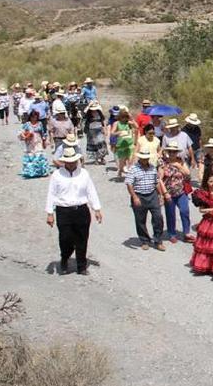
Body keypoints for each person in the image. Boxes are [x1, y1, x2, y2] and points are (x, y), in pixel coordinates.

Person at [45, 147, 103, 275]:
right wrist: (50, 213)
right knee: (65, 238)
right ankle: (65, 258)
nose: (71, 164)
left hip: (81, 209)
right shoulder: (57, 175)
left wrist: (97, 209)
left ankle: (81, 266)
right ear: (64, 162)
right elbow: (51, 194)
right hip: (63, 211)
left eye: (74, 161)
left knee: (82, 238)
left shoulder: (84, 174)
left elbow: (91, 191)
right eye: (69, 161)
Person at [125, 147, 167, 251]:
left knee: (158, 217)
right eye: (143, 158)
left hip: (152, 195)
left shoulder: (152, 168)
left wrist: (161, 195)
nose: (145, 160)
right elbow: (129, 184)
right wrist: (134, 197)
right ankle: (144, 240)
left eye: (147, 158)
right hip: (139, 195)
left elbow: (156, 182)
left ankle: (158, 240)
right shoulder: (133, 169)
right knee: (140, 220)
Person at [158, 141, 193, 244]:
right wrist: (164, 193)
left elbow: (188, 175)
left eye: (174, 151)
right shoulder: (163, 162)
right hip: (168, 192)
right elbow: (159, 179)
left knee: (184, 211)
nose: (172, 153)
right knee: (170, 214)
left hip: (181, 191)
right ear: (168, 151)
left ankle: (186, 232)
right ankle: (172, 233)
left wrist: (179, 166)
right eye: (171, 151)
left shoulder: (181, 161)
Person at [19, 110, 50, 179]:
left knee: (39, 154)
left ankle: (41, 171)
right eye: (32, 117)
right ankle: (31, 172)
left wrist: (44, 141)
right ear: (30, 117)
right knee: (31, 155)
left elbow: (42, 132)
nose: (34, 119)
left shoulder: (40, 123)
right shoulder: (27, 124)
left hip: (38, 141)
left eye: (35, 117)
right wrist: (25, 136)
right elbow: (21, 132)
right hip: (30, 142)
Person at [112, 107, 135, 179]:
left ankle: (131, 176)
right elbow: (112, 133)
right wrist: (118, 132)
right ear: (120, 117)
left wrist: (131, 119)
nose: (125, 119)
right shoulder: (117, 123)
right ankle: (120, 171)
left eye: (126, 117)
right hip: (121, 145)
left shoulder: (128, 123)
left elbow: (136, 127)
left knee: (130, 160)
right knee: (121, 161)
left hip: (129, 144)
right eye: (123, 117)